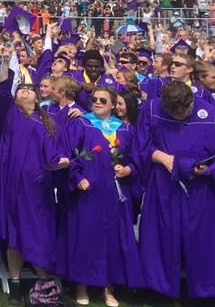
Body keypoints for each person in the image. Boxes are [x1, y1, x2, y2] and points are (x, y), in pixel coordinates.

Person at [135, 80, 215, 303]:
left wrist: (210, 170)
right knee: (163, 234)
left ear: (191, 102)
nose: (179, 116)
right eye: (173, 112)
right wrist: (163, 157)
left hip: (201, 188)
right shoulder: (151, 110)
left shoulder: (214, 114)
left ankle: (206, 288)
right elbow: (140, 145)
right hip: (164, 185)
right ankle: (161, 285)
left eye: (184, 111)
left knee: (203, 238)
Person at [0, 42, 68, 302]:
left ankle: (44, 283)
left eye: (29, 90)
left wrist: (62, 162)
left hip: (37, 187)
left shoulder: (49, 122)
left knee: (36, 232)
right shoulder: (10, 114)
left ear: (37, 96)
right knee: (13, 234)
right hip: (10, 184)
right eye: (20, 89)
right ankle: (17, 282)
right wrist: (4, 62)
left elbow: (55, 153)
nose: (24, 92)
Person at [58, 86, 143, 305]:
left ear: (113, 105)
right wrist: (77, 179)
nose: (96, 103)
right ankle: (81, 287)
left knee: (112, 240)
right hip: (89, 193)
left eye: (102, 100)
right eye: (94, 99)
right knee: (85, 238)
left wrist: (128, 170)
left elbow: (136, 160)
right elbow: (69, 155)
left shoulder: (124, 129)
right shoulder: (81, 124)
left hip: (116, 193)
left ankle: (108, 288)